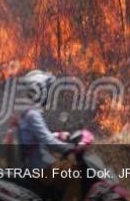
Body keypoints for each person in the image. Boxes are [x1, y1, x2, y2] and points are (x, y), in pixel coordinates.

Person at [17, 70, 81, 201]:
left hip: (34, 165)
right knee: (76, 171)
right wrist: (69, 148)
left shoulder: (28, 112)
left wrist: (59, 135)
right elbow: (47, 140)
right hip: (41, 168)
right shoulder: (33, 114)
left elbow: (39, 136)